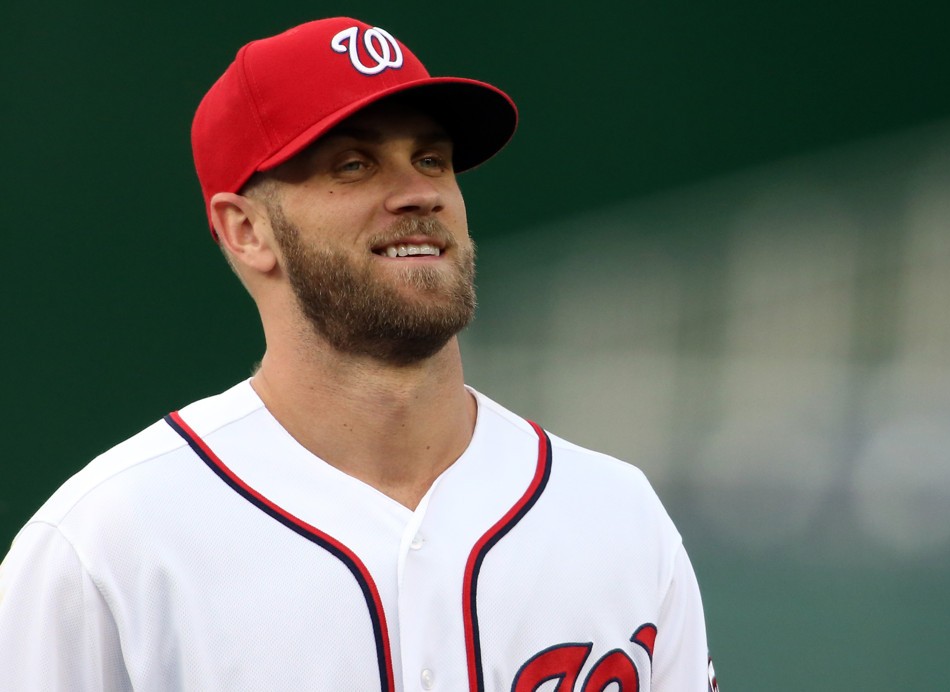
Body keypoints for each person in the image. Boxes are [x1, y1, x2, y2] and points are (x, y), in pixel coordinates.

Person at [0, 17, 716, 691]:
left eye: (431, 158)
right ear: (246, 231)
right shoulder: (107, 547)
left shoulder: (616, 515)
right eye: (353, 164)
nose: (417, 193)